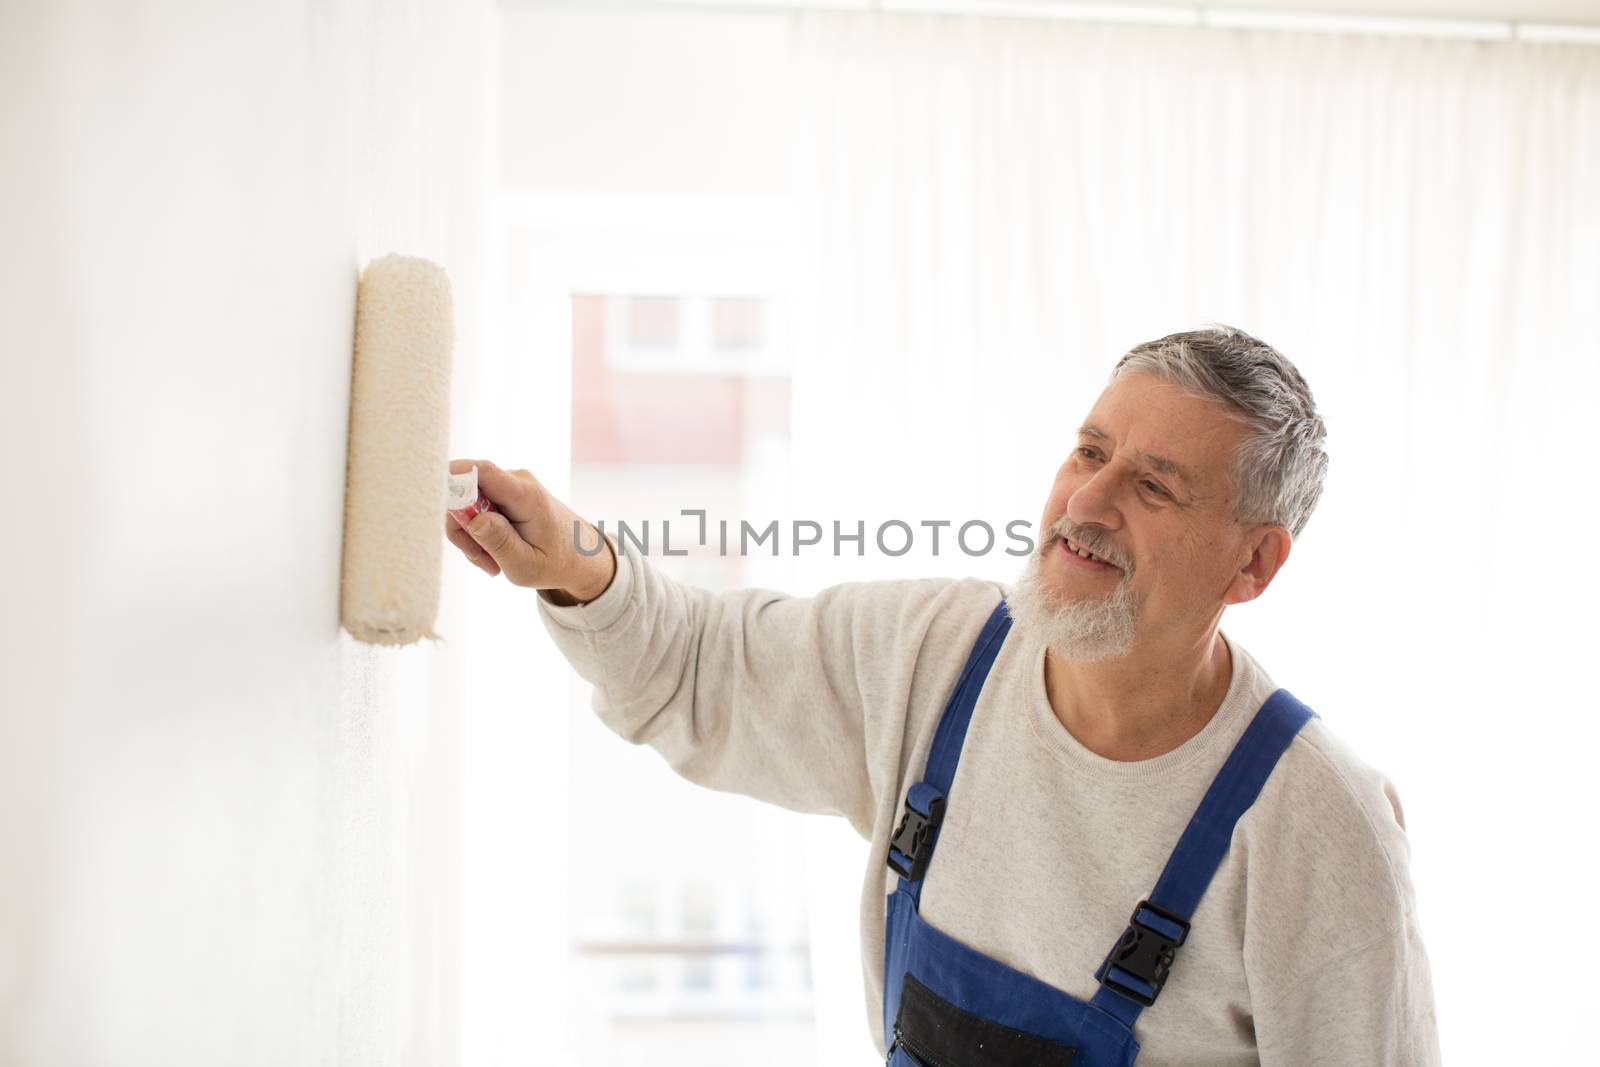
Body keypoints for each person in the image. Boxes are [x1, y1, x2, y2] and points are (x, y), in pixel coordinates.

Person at [446, 326, 1440, 1065]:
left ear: (1253, 562)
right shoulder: (938, 655)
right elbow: (702, 667)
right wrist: (571, 559)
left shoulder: (1316, 820)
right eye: (1089, 452)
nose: (1085, 504)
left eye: (1153, 484)